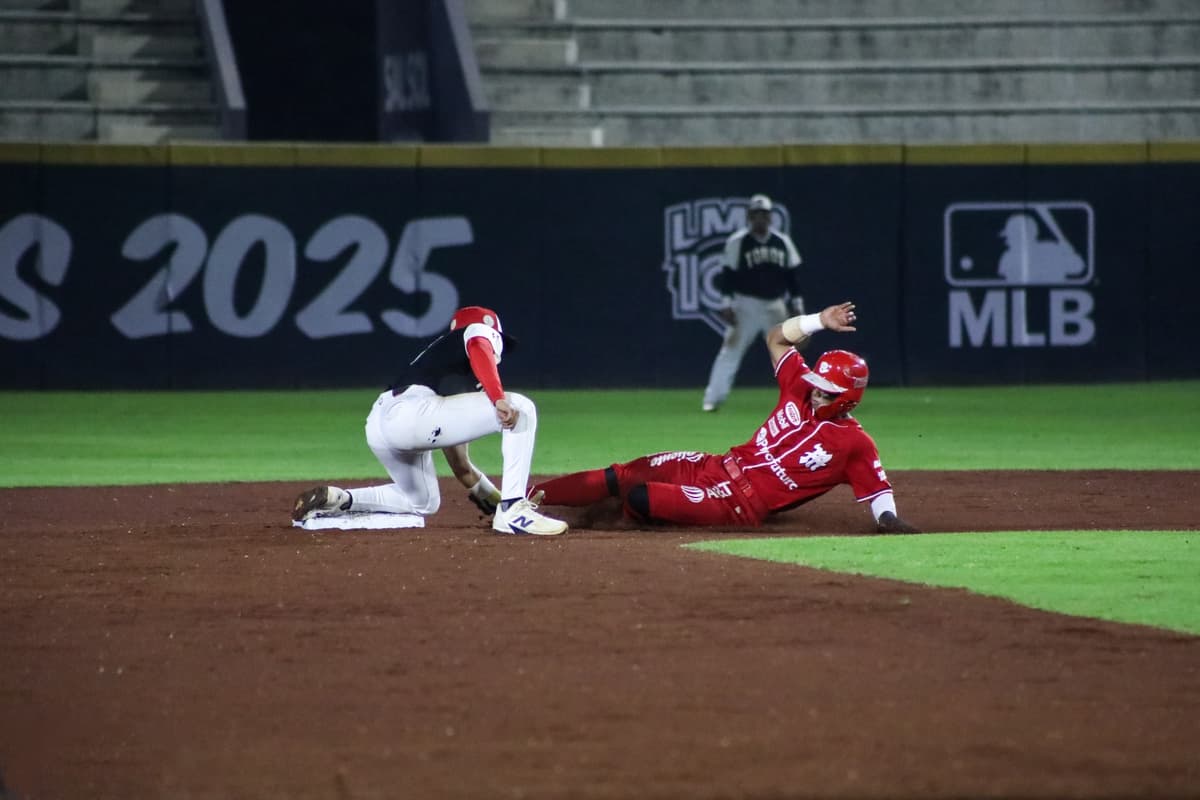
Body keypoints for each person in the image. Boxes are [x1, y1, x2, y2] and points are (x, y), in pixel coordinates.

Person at [533, 301, 918, 534]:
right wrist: (818, 319)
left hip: (735, 503)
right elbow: (775, 338)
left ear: (848, 398)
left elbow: (880, 495)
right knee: (621, 474)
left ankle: (603, 520)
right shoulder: (799, 386)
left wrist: (889, 521)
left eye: (827, 390)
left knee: (639, 497)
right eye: (817, 383)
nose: (817, 390)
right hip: (714, 465)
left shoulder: (854, 444)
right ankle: (523, 502)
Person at [292, 305, 567, 536]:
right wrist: (498, 398)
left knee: (422, 502)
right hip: (411, 412)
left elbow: (463, 469)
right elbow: (479, 344)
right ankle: (515, 510)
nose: (500, 352)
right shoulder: (478, 332)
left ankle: (340, 499)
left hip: (382, 423)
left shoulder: (445, 372)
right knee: (521, 406)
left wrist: (495, 498)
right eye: (500, 343)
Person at [702, 192, 805, 412]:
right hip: (745, 305)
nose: (760, 218)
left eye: (764, 214)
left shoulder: (782, 242)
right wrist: (726, 303)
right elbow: (728, 276)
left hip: (775, 306)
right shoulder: (738, 242)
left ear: (770, 217)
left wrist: (797, 305)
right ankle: (713, 399)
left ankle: (800, 399)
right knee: (730, 350)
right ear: (749, 216)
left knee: (788, 353)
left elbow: (792, 277)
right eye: (756, 214)